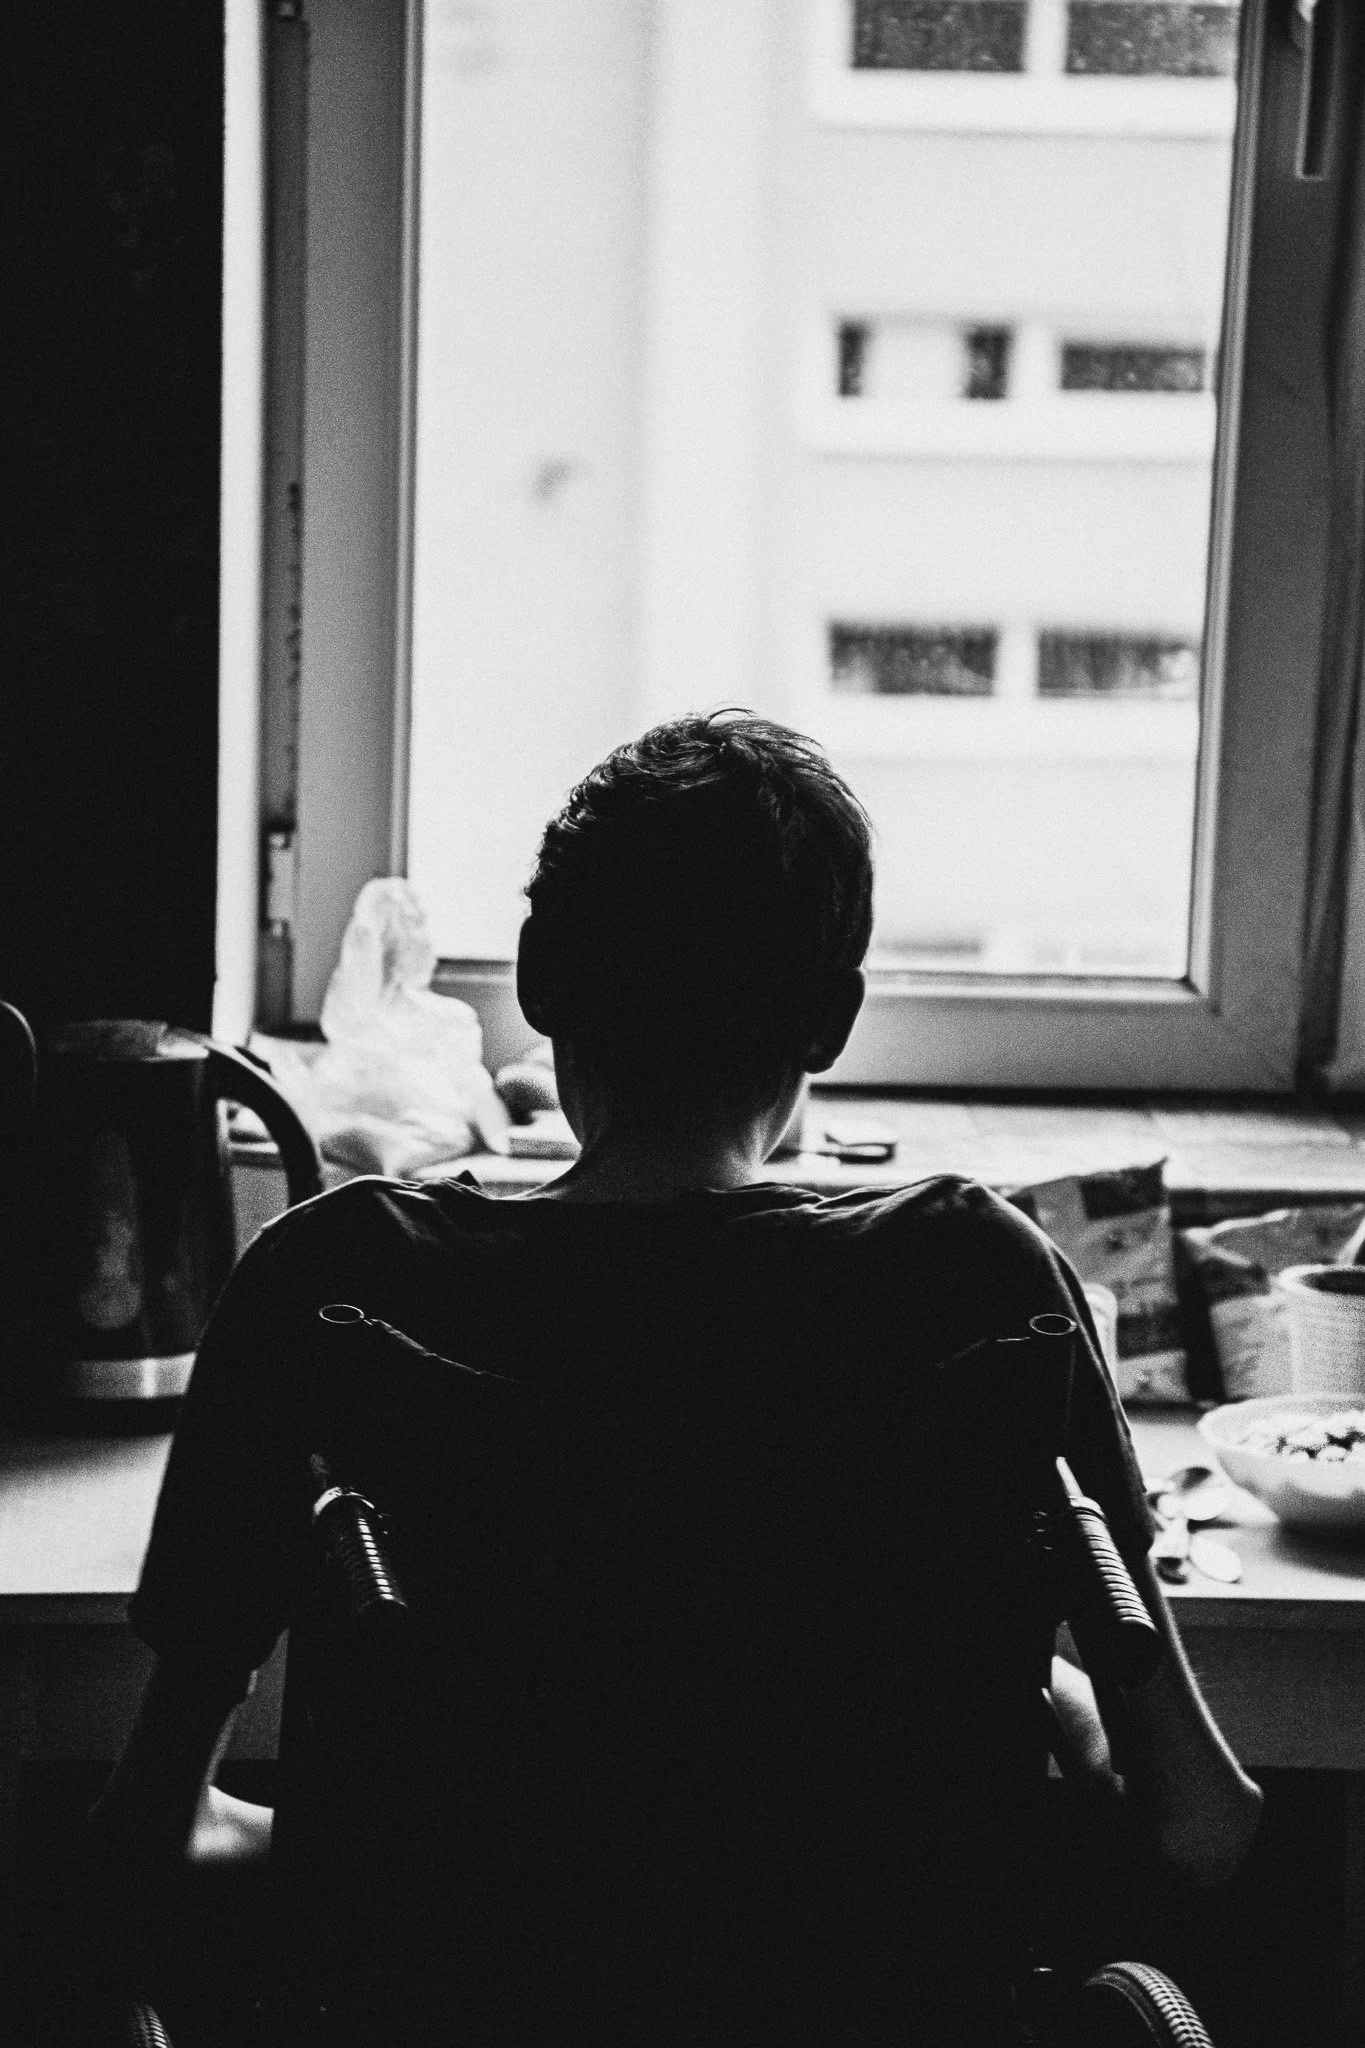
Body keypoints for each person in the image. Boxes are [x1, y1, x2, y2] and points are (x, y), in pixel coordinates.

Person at [90, 711, 1262, 2041]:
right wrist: (1052, 1709)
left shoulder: (332, 1291)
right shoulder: (982, 1290)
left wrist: (393, 1851)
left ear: (538, 978)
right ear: (830, 1020)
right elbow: (1203, 1830)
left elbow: (150, 1842)